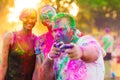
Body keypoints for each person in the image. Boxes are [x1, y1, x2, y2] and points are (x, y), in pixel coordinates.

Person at [39, 13, 105, 80]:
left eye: (61, 30)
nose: (57, 34)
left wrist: (81, 51)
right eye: (54, 31)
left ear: (72, 31)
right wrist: (49, 57)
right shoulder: (58, 53)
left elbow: (95, 51)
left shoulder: (85, 41)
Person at [0, 8, 37, 80]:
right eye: (26, 17)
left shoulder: (37, 41)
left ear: (36, 20)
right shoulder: (10, 37)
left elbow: (37, 68)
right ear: (21, 18)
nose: (29, 21)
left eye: (32, 18)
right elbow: (3, 66)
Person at [32, 5, 57, 80]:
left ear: (56, 14)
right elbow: (38, 65)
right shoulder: (39, 40)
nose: (46, 17)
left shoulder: (67, 35)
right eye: (43, 15)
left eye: (49, 13)